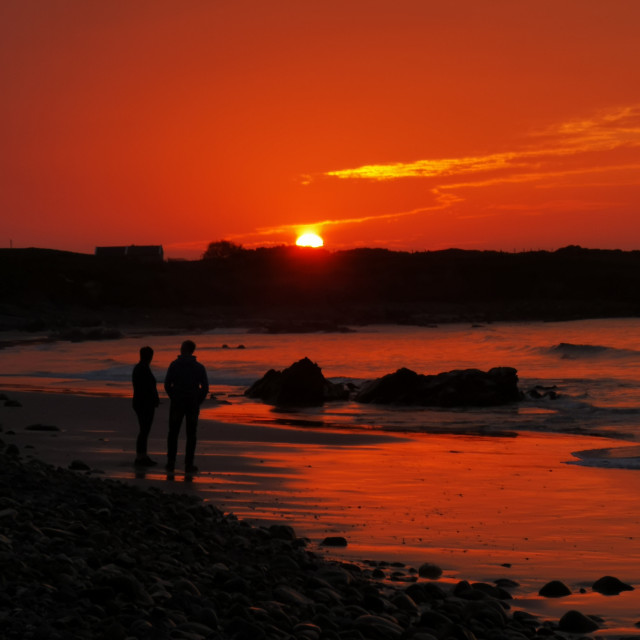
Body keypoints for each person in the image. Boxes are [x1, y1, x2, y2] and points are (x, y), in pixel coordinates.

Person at [164, 339, 209, 474]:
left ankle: (171, 462)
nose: (180, 348)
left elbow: (167, 384)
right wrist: (198, 399)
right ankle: (189, 464)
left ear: (185, 349)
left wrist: (174, 396)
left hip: (178, 401)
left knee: (173, 432)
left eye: (182, 347)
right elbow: (205, 387)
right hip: (192, 402)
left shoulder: (174, 365)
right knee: (191, 434)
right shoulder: (199, 367)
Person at [132, 345, 160, 466]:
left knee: (144, 430)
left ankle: (142, 455)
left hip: (140, 402)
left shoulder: (139, 368)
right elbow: (148, 387)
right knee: (144, 430)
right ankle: (140, 457)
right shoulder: (143, 369)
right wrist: (154, 399)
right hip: (144, 403)